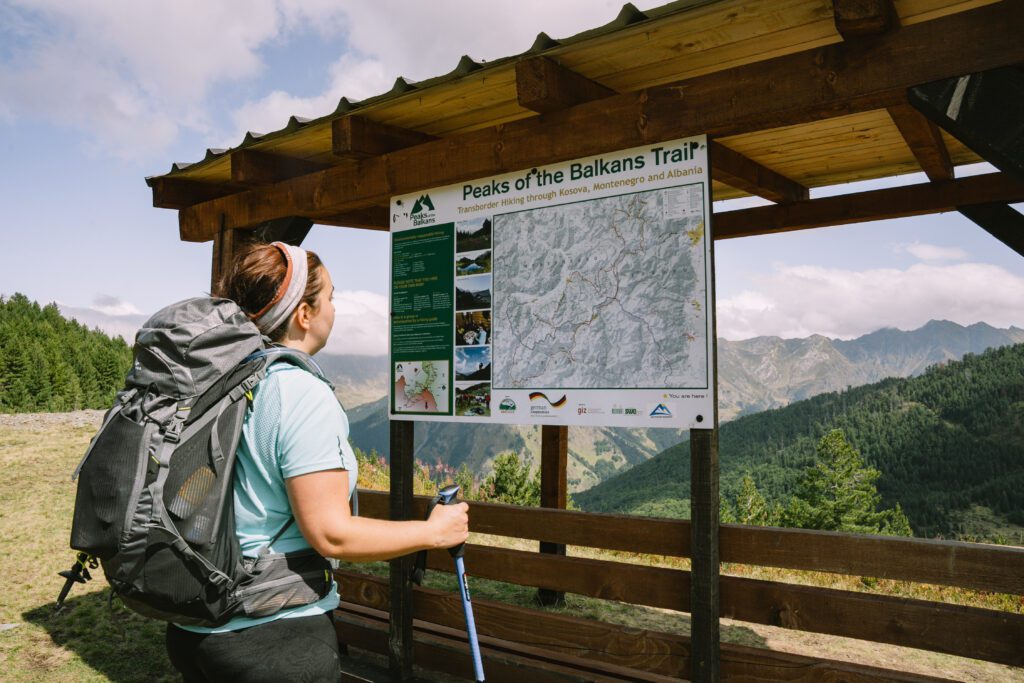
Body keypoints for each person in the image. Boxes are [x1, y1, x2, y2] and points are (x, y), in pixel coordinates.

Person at [165, 241, 469, 682]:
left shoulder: (218, 380)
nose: (334, 308)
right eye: (330, 297)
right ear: (304, 314)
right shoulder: (296, 392)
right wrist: (433, 532)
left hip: (195, 623)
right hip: (271, 636)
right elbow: (331, 535)